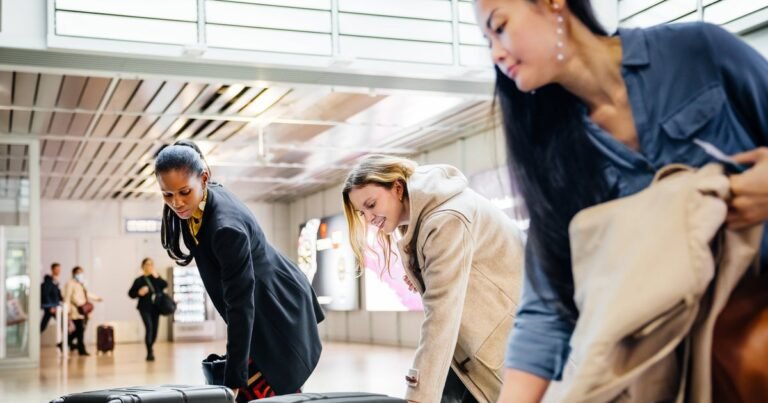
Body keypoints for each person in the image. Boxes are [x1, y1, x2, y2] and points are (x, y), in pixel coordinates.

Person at [472, 0, 768, 401]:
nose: (496, 53)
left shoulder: (698, 52)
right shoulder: (551, 155)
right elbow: (547, 307)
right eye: (486, 40)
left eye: (499, 27)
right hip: (678, 366)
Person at [342, 155, 525, 403]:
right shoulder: (426, 216)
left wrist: (417, 396)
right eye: (361, 212)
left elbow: (441, 313)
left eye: (371, 204)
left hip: (505, 347)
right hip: (482, 347)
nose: (369, 218)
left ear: (397, 187)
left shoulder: (446, 218)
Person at [154, 140, 324, 402]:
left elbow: (240, 305)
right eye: (167, 194)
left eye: (184, 192)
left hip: (276, 307)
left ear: (204, 178)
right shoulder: (202, 199)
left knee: (273, 387)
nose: (176, 202)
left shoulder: (225, 229)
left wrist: (233, 380)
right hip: (264, 301)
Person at [128, 258, 167, 361]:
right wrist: (139, 292)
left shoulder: (156, 277)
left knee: (155, 330)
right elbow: (131, 293)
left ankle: (151, 345)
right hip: (144, 308)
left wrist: (157, 277)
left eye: (151, 264)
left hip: (156, 308)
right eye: (147, 264)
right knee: (149, 328)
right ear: (143, 266)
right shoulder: (139, 280)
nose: (149, 266)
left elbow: (165, 285)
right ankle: (149, 352)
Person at [63, 266, 102, 356]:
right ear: (74, 273)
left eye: (81, 273)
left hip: (83, 310)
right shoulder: (70, 283)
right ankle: (80, 349)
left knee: (79, 331)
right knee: (79, 330)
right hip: (75, 310)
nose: (80, 275)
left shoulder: (81, 284)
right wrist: (67, 310)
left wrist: (97, 298)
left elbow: (86, 294)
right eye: (78, 273)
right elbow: (67, 297)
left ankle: (64, 344)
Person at [41, 262, 63, 333]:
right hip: (51, 306)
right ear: (52, 270)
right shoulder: (49, 281)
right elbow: (46, 294)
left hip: (54, 305)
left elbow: (57, 294)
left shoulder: (55, 281)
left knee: (44, 323)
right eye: (57, 269)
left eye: (59, 269)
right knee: (62, 322)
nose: (58, 271)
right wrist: (51, 306)